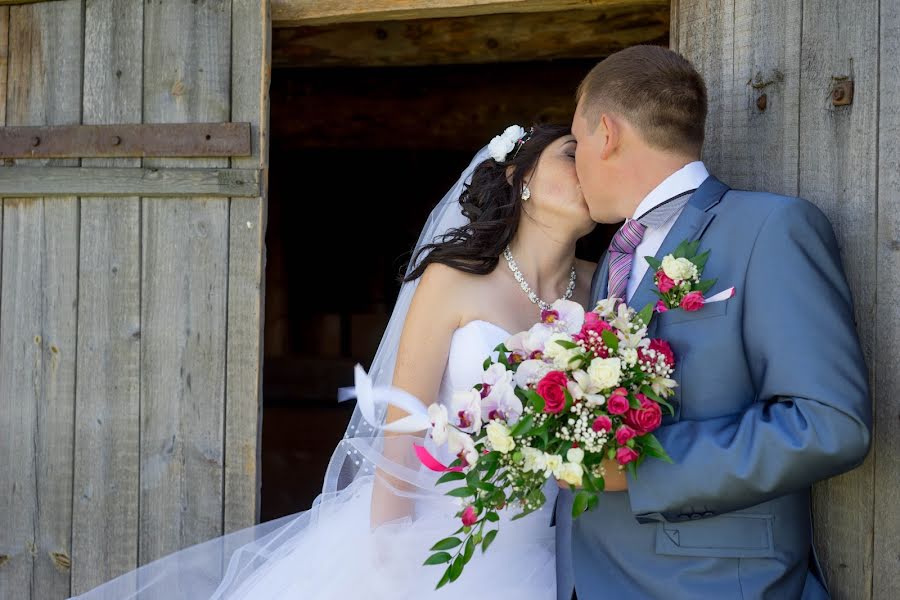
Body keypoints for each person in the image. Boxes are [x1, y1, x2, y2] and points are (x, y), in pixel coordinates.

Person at [68, 123, 596, 599]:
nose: (589, 166)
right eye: (571, 155)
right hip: (432, 544)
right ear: (517, 177)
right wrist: (391, 570)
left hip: (542, 553)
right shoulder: (452, 280)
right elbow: (402, 430)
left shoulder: (604, 288)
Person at [556, 44, 872, 600]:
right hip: (591, 576)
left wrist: (644, 472)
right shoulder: (615, 255)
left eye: (576, 142)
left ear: (606, 134)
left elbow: (828, 423)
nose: (577, 162)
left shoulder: (770, 228)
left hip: (713, 583)